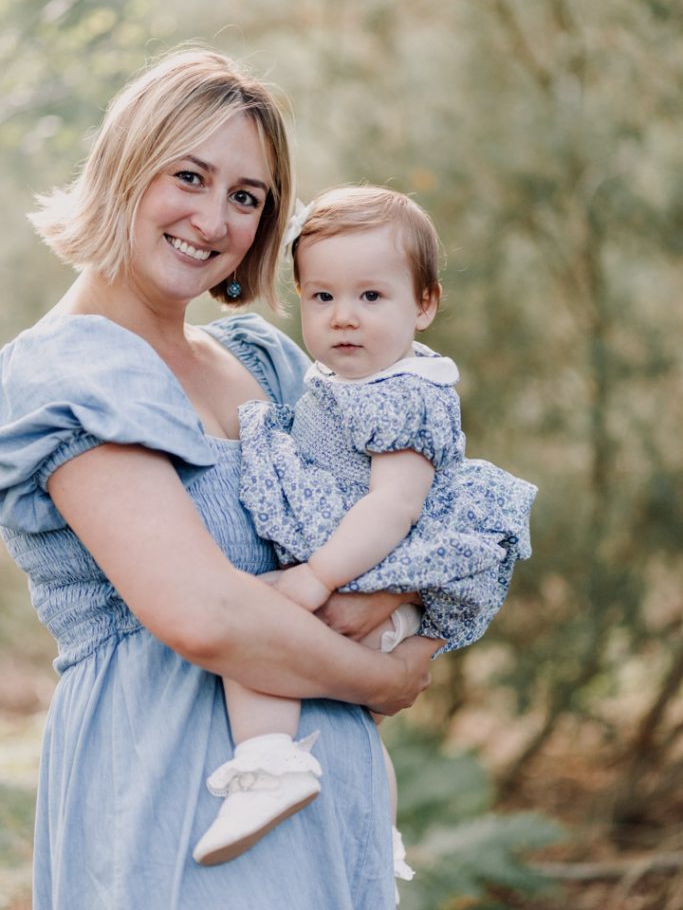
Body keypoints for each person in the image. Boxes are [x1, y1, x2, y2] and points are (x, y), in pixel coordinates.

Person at [0, 50, 438, 910]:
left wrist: (389, 595)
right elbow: (203, 617)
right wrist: (383, 679)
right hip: (172, 794)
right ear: (125, 168)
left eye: (246, 197)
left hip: (330, 792)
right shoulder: (66, 373)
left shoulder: (267, 364)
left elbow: (408, 519)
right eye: (189, 177)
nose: (213, 219)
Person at [193, 185, 537, 882]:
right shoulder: (354, 380)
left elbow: (393, 509)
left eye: (371, 297)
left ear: (424, 304)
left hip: (363, 575)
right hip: (361, 571)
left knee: (252, 629)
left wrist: (315, 577)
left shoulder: (403, 395)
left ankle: (267, 762)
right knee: (357, 732)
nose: (343, 316)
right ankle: (378, 839)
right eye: (322, 297)